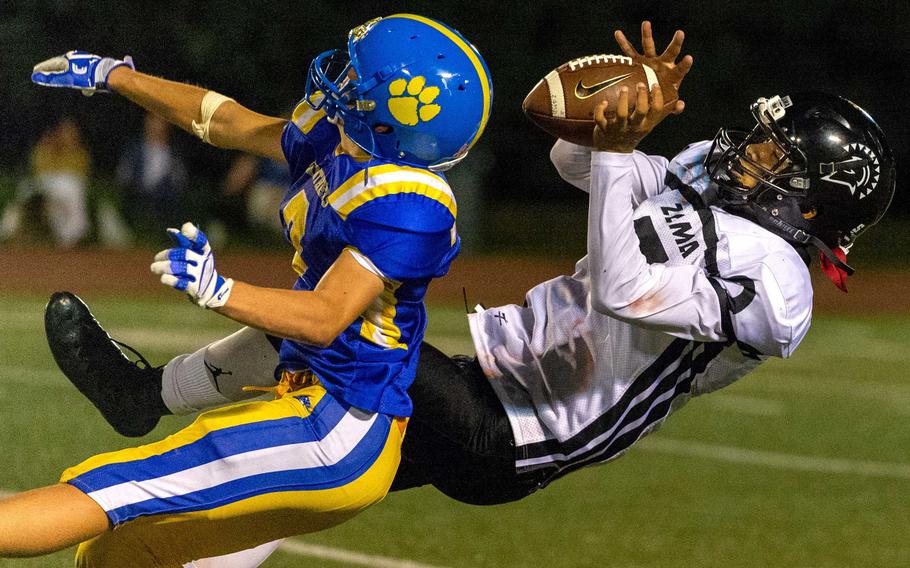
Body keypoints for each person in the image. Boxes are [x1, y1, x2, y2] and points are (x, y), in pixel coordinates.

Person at [47, 21, 895, 567]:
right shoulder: (712, 178)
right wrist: (616, 112)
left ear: (813, 200)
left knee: (334, 353)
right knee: (287, 484)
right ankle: (159, 505)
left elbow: (628, 291)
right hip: (488, 375)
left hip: (522, 432)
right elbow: (566, 149)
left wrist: (616, 158)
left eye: (776, 158)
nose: (748, 152)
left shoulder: (780, 284)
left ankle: (145, 394)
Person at [1, 13, 492, 566]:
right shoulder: (345, 143)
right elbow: (227, 122)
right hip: (301, 380)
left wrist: (220, 290)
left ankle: (141, 395)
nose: (342, 83)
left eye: (360, 80)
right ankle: (140, 395)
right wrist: (117, 77)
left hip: (335, 423)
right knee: (118, 554)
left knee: (111, 491)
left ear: (395, 117)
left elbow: (326, 315)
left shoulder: (409, 204)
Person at [0, 117, 91, 247]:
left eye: (71, 132)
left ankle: (71, 238)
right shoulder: (45, 148)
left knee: (71, 198)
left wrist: (66, 149)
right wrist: (50, 148)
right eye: (64, 131)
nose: (67, 135)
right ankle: (8, 234)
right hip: (46, 187)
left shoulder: (80, 152)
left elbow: (76, 174)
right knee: (21, 195)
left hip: (67, 191)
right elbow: (39, 170)